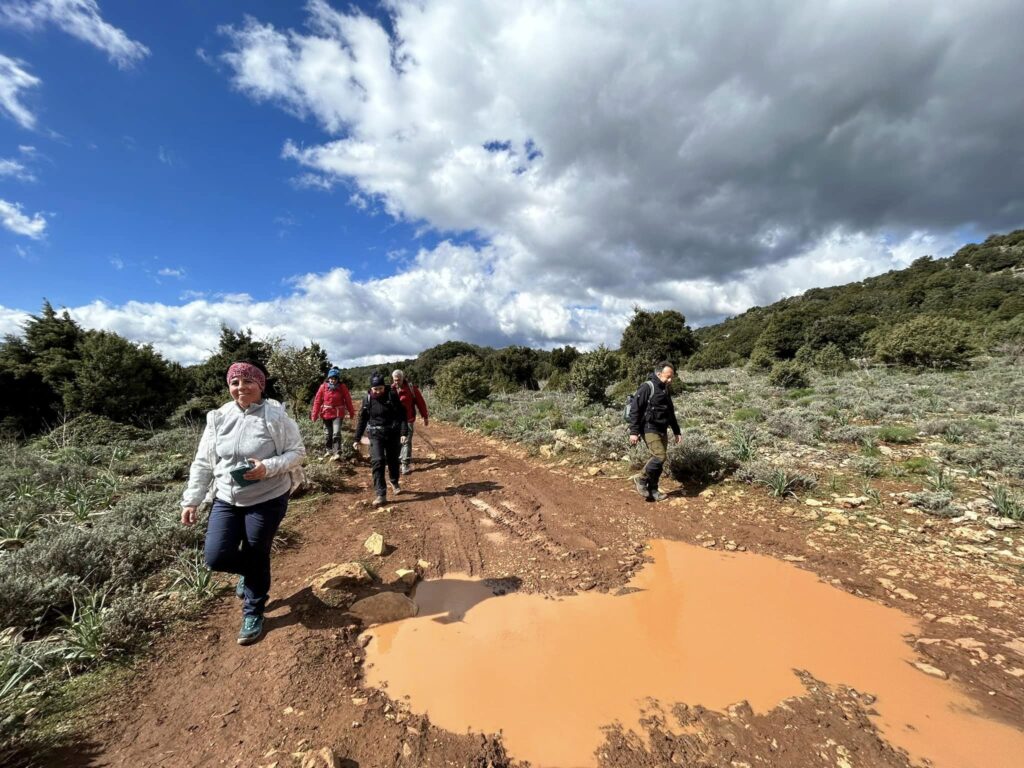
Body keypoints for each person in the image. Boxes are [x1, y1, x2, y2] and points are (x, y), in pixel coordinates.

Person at [180, 361, 306, 645]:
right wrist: (192, 500)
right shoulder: (218, 417)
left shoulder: (276, 416)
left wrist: (268, 467)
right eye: (235, 383)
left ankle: (254, 610)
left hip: (267, 497)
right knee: (216, 557)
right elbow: (203, 462)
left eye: (248, 382)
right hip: (226, 497)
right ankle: (252, 574)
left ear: (260, 385)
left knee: (256, 551)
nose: (241, 388)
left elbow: (297, 453)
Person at [627, 361, 682, 502]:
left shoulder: (665, 389)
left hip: (662, 428)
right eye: (668, 377)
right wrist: (634, 431)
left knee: (659, 462)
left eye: (672, 377)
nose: (670, 380)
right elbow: (635, 409)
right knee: (659, 456)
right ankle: (640, 478)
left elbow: (670, 412)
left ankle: (653, 490)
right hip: (649, 428)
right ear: (658, 374)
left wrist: (676, 431)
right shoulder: (647, 387)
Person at [353, 373, 408, 507]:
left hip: (392, 433)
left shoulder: (392, 396)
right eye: (375, 389)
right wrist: (357, 438)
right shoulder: (367, 399)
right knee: (377, 461)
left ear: (384, 387)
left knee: (393, 460)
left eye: (380, 388)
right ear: (371, 388)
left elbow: (402, 415)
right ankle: (381, 494)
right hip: (375, 434)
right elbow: (362, 419)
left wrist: (403, 432)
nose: (378, 391)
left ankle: (394, 481)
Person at [310, 367, 355, 458]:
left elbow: (348, 400)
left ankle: (337, 452)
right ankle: (329, 450)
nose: (333, 380)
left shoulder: (342, 387)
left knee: (336, 433)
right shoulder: (323, 387)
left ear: (338, 379)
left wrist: (351, 412)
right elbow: (317, 401)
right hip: (326, 413)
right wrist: (314, 414)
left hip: (338, 413)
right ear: (328, 378)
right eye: (331, 378)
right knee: (328, 433)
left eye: (335, 378)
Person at [391, 368, 429, 475]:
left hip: (408, 419)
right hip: (395, 421)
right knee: (396, 441)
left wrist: (425, 416)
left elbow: (420, 403)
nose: (396, 382)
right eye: (394, 380)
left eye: (398, 380)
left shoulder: (411, 388)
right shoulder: (390, 389)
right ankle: (398, 460)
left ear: (403, 378)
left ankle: (405, 464)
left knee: (406, 441)